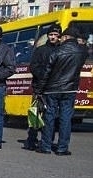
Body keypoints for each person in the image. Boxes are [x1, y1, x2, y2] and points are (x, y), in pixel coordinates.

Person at [35, 27, 87, 156]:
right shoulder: (82, 52)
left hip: (52, 90)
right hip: (70, 89)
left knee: (49, 117)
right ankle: (62, 148)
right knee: (66, 119)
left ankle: (46, 146)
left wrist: (40, 90)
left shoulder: (57, 52)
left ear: (65, 37)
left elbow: (46, 72)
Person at [24, 24, 61, 151]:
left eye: (56, 35)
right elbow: (33, 66)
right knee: (35, 115)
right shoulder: (40, 50)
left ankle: (47, 141)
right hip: (39, 87)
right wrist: (43, 76)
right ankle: (31, 140)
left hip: (53, 88)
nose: (53, 37)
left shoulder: (61, 50)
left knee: (50, 117)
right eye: (51, 35)